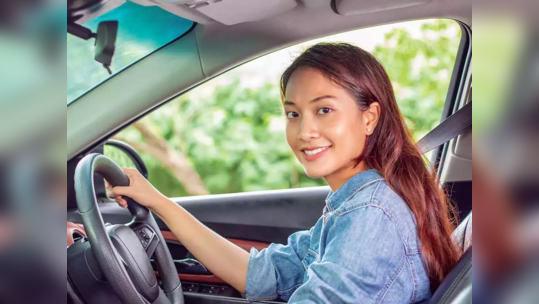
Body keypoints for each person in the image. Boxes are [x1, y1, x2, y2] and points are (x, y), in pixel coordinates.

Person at [107, 42, 460, 303]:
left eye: (324, 110)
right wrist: (158, 201)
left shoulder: (372, 213)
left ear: (369, 118)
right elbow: (261, 274)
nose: (304, 131)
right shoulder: (354, 203)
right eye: (293, 114)